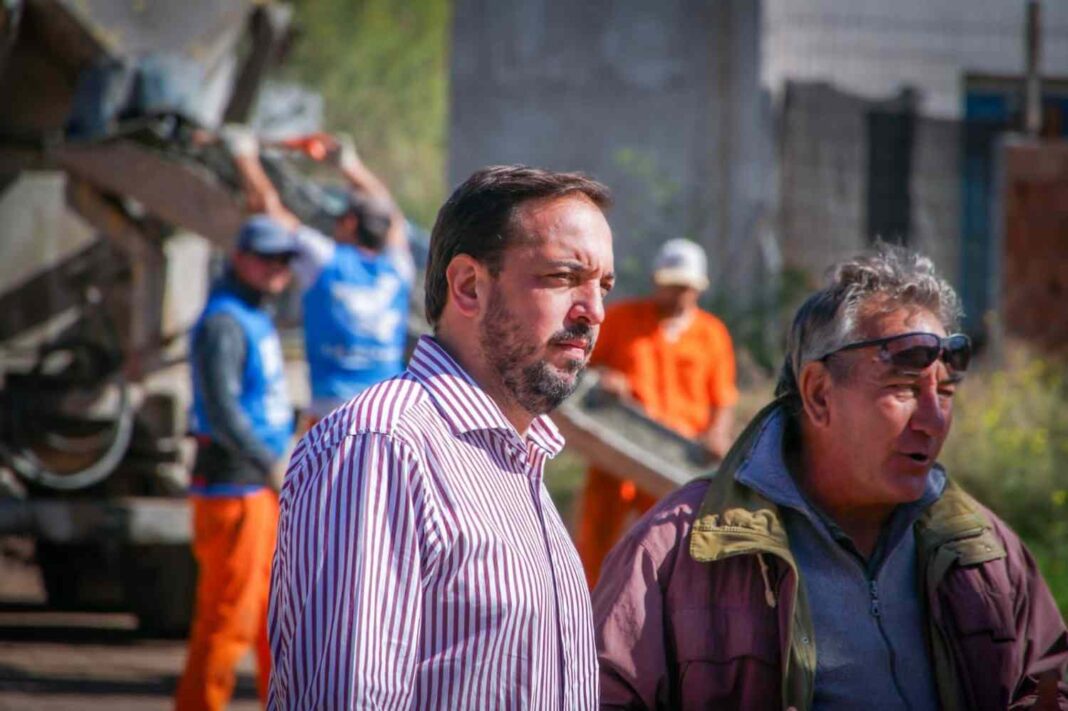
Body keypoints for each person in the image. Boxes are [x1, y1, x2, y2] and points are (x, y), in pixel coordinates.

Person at [593, 246, 1068, 709]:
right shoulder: (675, 553)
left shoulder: (985, 553)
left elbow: (1047, 685)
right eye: (903, 388)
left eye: (944, 392)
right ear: (819, 394)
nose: (933, 419)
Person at [267, 165, 614, 709]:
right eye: (563, 277)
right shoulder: (382, 448)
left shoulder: (517, 460)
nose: (593, 311)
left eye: (604, 286)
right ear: (469, 286)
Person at [175, 215, 297, 711]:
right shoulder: (224, 320)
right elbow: (222, 410)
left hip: (257, 487)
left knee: (275, 619)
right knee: (227, 622)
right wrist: (269, 460)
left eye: (284, 260)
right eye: (266, 258)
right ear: (240, 258)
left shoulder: (251, 313)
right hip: (234, 487)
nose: (276, 269)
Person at [222, 125, 415, 421]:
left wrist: (243, 154)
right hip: (393, 412)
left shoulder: (325, 261)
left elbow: (269, 211)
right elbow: (392, 216)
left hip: (334, 415)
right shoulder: (398, 269)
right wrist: (351, 166)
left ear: (350, 223)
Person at [574, 238, 738, 587]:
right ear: (656, 282)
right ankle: (586, 613)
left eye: (684, 287)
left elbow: (723, 398)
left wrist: (718, 435)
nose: (677, 294)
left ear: (698, 288)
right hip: (616, 455)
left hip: (679, 460)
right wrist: (603, 378)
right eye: (670, 285)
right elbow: (578, 367)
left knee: (673, 549)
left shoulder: (712, 335)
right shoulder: (621, 319)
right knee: (597, 544)